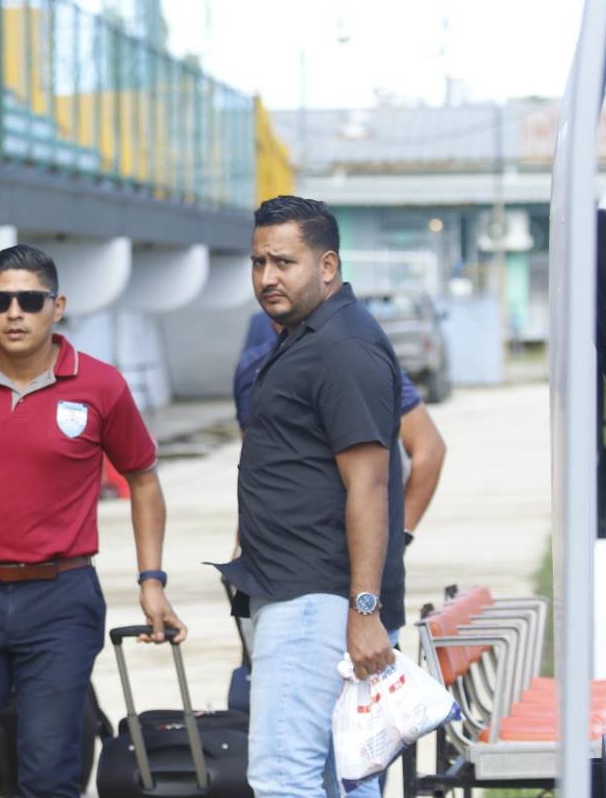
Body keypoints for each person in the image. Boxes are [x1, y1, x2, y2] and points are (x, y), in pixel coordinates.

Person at [0, 244, 186, 798]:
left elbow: (143, 480)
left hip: (61, 600)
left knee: (49, 772)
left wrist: (152, 581)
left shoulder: (100, 386)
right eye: (1, 301)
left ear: (58, 305)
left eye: (29, 299)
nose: (14, 312)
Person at [216, 196, 403, 798]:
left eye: (283, 262)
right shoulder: (309, 336)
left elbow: (370, 486)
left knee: (281, 779)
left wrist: (365, 610)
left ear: (327, 265)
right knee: (338, 780)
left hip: (315, 600)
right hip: (306, 596)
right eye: (258, 262)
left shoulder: (342, 346)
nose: (267, 277)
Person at [234, 311, 447, 546]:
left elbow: (429, 448)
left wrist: (400, 535)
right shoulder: (250, 371)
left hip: (340, 550)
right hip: (276, 551)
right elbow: (255, 474)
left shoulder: (358, 358)